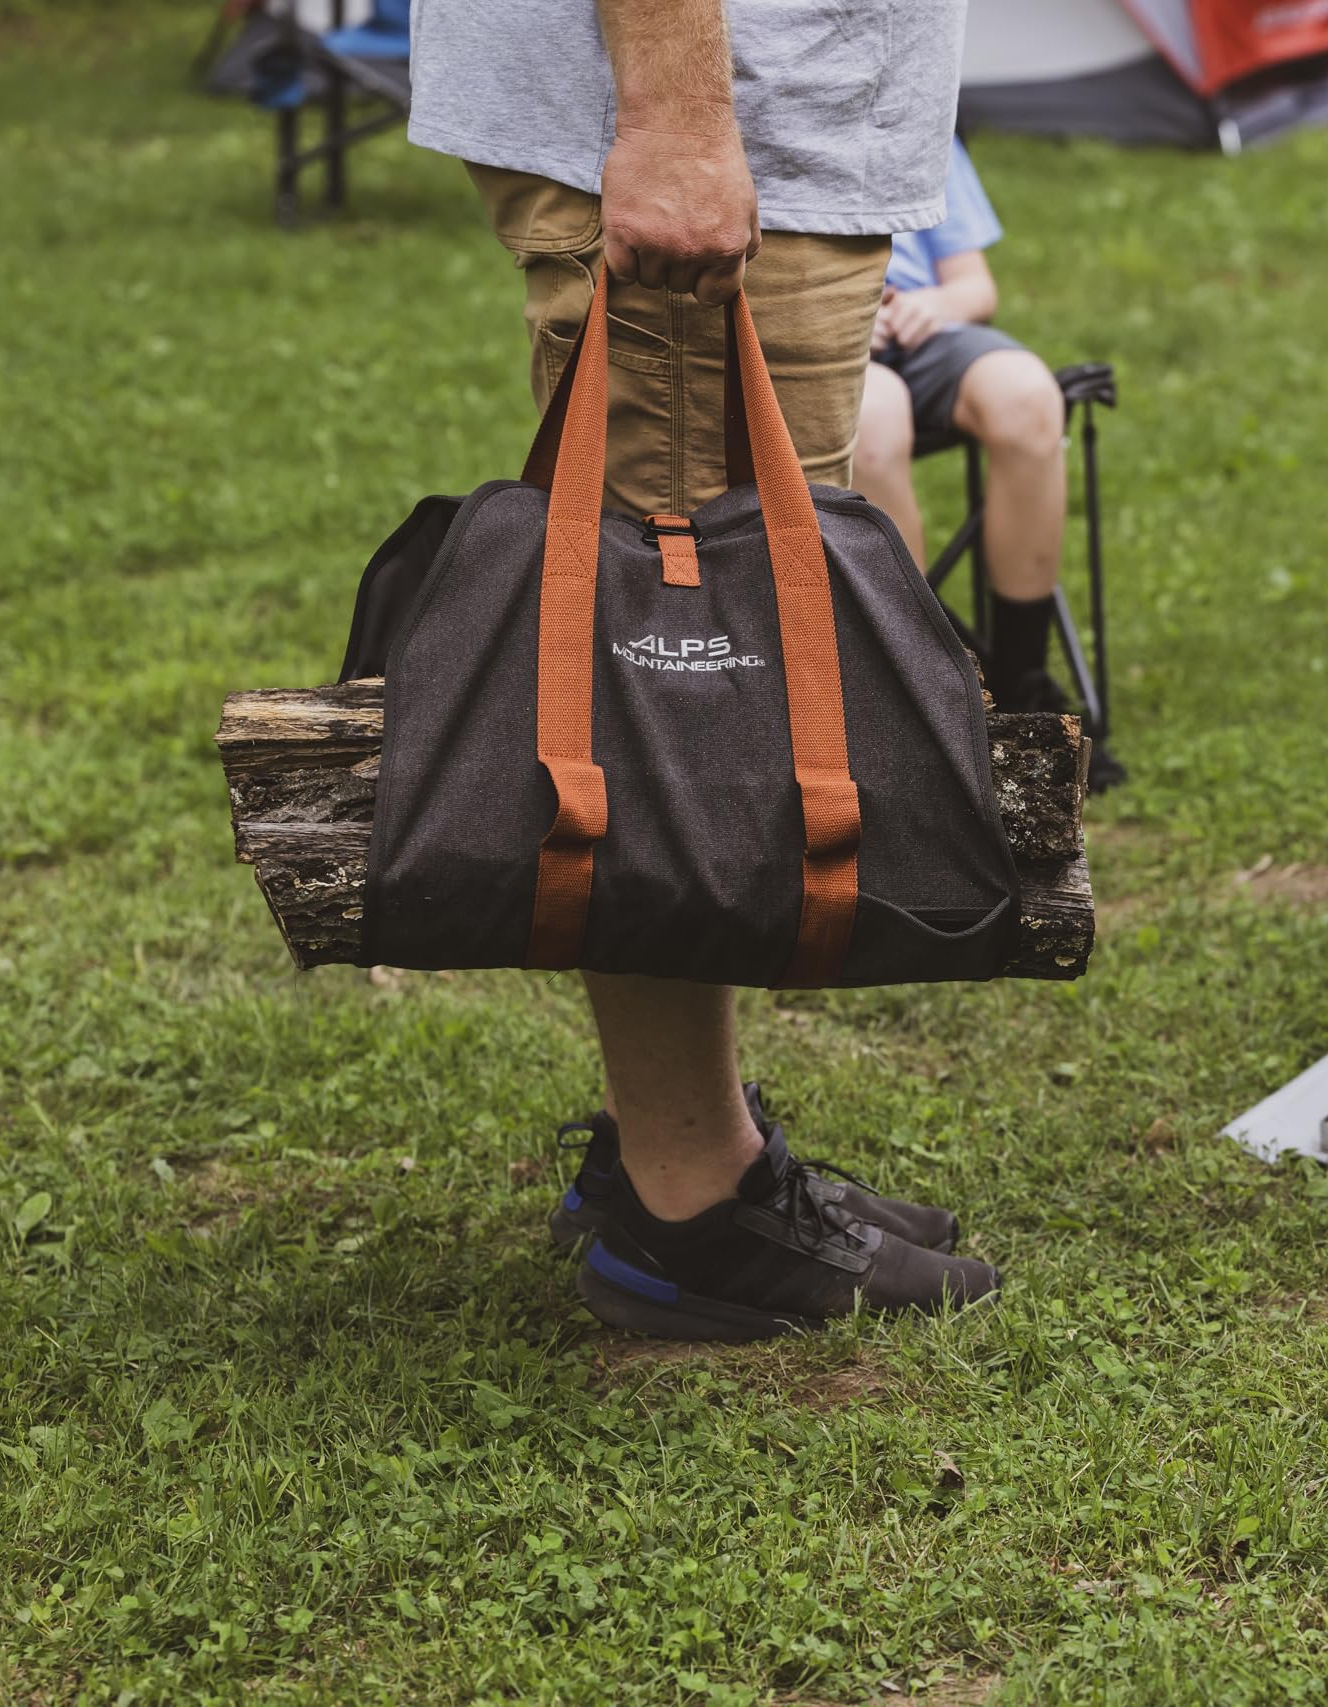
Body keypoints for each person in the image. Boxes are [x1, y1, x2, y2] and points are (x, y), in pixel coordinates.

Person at [408, 0, 1000, 1340]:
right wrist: (678, 109)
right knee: (680, 681)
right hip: (714, 104)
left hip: (771, 107)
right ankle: (690, 1212)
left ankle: (665, 1129)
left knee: (705, 674)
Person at [851, 135, 1126, 789]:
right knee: (875, 417)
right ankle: (926, 692)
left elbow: (975, 285)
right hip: (821, 340)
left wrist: (936, 305)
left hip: (927, 332)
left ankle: (1022, 684)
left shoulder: (921, 122)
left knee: (1028, 396)